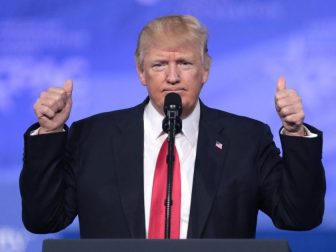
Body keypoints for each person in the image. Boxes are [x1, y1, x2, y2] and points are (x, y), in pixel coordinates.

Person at [20, 15, 325, 239]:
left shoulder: (246, 139)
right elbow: (44, 219)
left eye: (185, 63)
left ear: (205, 70)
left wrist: (296, 134)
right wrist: (49, 133)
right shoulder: (92, 137)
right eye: (159, 65)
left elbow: (298, 217)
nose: (173, 76)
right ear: (141, 73)